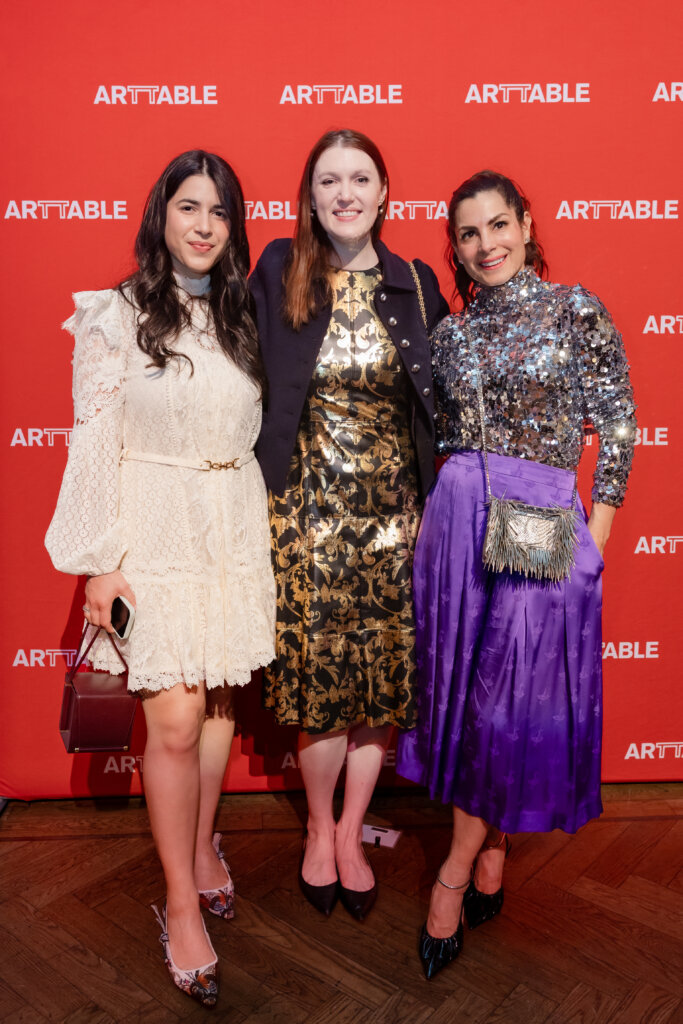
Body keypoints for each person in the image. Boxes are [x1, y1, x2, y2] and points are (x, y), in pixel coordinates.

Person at [45, 150, 275, 1007]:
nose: (204, 224)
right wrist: (101, 562)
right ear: (161, 216)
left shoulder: (247, 312)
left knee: (218, 701)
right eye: (189, 206)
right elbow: (92, 438)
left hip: (231, 517)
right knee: (172, 723)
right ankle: (179, 901)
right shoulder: (114, 314)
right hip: (151, 524)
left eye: (219, 210)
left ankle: (205, 844)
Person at [395, 170, 637, 978]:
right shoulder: (453, 335)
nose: (485, 245)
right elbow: (443, 439)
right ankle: (490, 841)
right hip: (459, 523)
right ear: (455, 248)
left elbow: (618, 423)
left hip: (540, 522)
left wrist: (591, 538)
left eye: (498, 226)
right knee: (470, 705)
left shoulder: (575, 310)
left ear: (526, 225)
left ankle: (451, 876)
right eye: (468, 234)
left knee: (503, 705)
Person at [250, 129, 449, 921]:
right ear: (309, 195)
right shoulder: (280, 269)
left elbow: (441, 403)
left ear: (383, 192)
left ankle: (345, 825)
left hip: (397, 521)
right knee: (320, 686)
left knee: (381, 687)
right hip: (306, 519)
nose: (344, 193)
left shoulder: (414, 281)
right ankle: (319, 835)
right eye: (328, 180)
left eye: (359, 178)